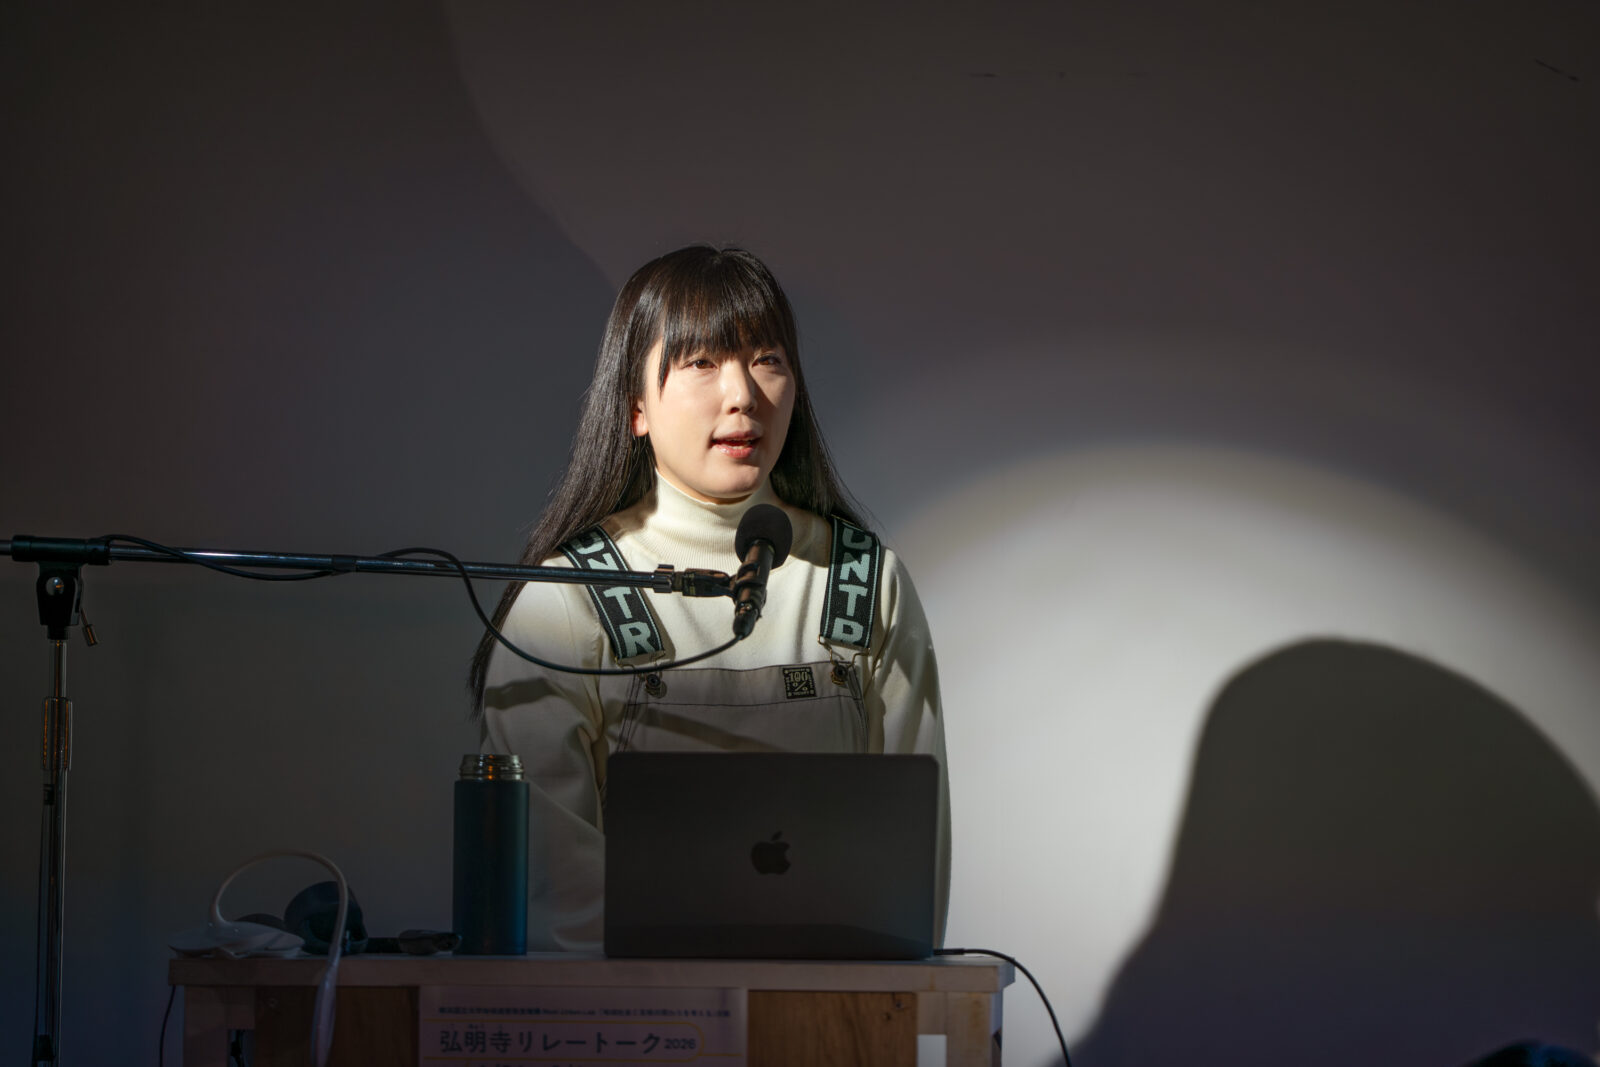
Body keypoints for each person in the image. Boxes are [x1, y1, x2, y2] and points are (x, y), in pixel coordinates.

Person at [469, 245, 949, 952]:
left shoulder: (863, 581)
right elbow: (549, 875)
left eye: (767, 359)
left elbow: (914, 853)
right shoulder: (568, 595)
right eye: (701, 361)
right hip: (636, 1004)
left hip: (833, 997)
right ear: (635, 406)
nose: (742, 395)